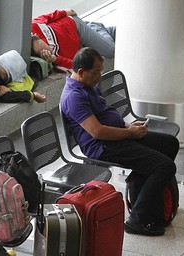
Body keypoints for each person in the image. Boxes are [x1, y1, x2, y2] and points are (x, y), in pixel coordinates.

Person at [60, 47, 178, 236]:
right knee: (165, 167)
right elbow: (97, 132)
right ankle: (137, 220)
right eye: (96, 72)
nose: (100, 76)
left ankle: (142, 191)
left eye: (101, 70)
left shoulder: (88, 86)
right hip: (103, 146)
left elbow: (106, 116)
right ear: (81, 72)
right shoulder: (74, 97)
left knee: (169, 144)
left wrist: (128, 126)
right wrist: (129, 133)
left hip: (118, 135)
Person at [31, 9, 116, 71]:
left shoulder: (33, 27)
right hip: (78, 47)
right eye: (41, 51)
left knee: (110, 50)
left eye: (42, 45)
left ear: (37, 36)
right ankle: (106, 31)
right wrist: (55, 59)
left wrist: (65, 12)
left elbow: (48, 17)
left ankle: (94, 27)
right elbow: (75, 65)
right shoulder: (52, 59)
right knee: (108, 45)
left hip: (75, 27)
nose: (45, 49)